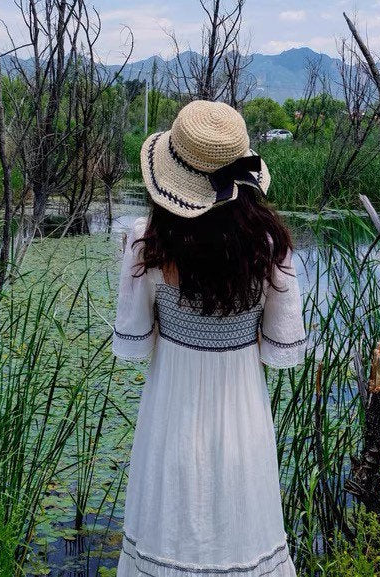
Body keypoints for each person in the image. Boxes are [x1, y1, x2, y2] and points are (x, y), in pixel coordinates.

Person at [112, 99, 307, 577]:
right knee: (242, 535)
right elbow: (279, 349)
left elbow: (135, 340)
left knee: (167, 533)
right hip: (242, 423)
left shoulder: (147, 245)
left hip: (170, 419)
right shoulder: (269, 249)